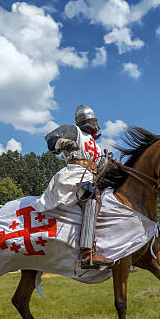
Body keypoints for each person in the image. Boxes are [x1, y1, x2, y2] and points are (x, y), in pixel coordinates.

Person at [42, 104, 113, 269]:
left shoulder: (95, 145)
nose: (97, 124)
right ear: (90, 121)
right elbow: (51, 139)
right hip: (75, 174)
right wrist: (63, 142)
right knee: (92, 198)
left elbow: (102, 167)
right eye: (95, 121)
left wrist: (111, 165)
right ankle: (87, 253)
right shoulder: (74, 131)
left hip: (92, 176)